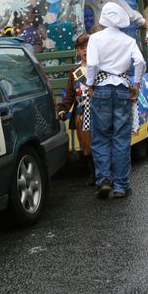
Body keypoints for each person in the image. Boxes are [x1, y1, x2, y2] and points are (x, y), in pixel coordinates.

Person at [85, 3, 145, 200]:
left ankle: (103, 180)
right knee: (121, 137)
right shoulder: (128, 41)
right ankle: (120, 185)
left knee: (101, 136)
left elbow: (92, 64)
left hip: (101, 89)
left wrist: (90, 84)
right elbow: (141, 62)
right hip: (121, 88)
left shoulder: (95, 38)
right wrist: (136, 84)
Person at [56, 34, 94, 185]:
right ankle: (93, 172)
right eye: (81, 48)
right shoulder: (75, 73)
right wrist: (62, 109)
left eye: (88, 47)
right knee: (86, 144)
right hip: (81, 112)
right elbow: (70, 96)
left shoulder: (99, 67)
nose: (85, 50)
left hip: (98, 110)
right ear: (77, 51)